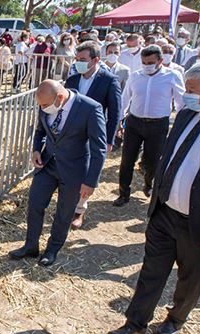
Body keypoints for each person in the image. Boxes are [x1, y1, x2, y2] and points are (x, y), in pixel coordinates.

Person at [107, 60, 200, 334]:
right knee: (151, 270)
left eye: (192, 90)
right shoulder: (190, 113)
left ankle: (176, 318)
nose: (185, 95)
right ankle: (135, 324)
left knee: (191, 278)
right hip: (164, 213)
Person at [9, 80, 106, 266]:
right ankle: (31, 245)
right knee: (35, 203)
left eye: (45, 105)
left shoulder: (90, 108)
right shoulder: (45, 103)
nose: (42, 108)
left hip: (74, 171)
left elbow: (99, 149)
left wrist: (91, 181)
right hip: (47, 165)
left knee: (64, 212)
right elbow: (40, 130)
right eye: (40, 105)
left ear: (60, 97)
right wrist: (36, 149)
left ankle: (53, 249)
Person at [115, 45, 185, 206]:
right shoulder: (135, 76)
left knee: (153, 161)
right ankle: (124, 193)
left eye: (151, 62)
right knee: (127, 160)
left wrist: (181, 124)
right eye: (144, 62)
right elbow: (125, 99)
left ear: (160, 61)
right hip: (134, 123)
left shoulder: (172, 76)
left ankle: (148, 184)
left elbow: (181, 102)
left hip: (158, 125)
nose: (147, 65)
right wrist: (119, 121)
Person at [65, 41, 122, 229]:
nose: (78, 63)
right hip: (72, 134)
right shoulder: (72, 80)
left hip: (94, 134)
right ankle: (67, 205)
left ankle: (79, 210)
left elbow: (114, 112)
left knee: (88, 172)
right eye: (77, 59)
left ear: (96, 60)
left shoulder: (109, 80)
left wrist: (109, 139)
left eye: (83, 59)